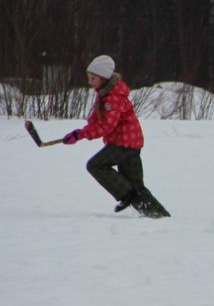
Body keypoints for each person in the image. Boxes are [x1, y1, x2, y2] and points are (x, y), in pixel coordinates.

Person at [61, 55, 168, 218]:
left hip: (124, 143)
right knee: (136, 186)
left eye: (93, 78)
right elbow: (95, 120)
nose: (90, 82)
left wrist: (82, 135)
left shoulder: (113, 99)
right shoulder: (103, 94)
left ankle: (127, 195)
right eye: (89, 78)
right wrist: (78, 133)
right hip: (129, 143)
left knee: (95, 165)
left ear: (103, 78)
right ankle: (158, 216)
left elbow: (106, 126)